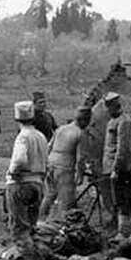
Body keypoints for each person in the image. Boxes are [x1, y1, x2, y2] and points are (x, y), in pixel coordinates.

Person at [6, 100, 48, 251]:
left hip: (22, 184)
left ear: (17, 119)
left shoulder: (23, 136)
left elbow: (20, 160)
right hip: (38, 183)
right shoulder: (41, 136)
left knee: (20, 227)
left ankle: (24, 257)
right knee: (32, 225)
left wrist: (13, 172)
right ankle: (37, 254)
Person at [40, 106, 91, 220]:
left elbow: (49, 147)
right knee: (65, 201)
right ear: (84, 120)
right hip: (64, 168)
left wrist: (46, 164)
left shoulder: (61, 129)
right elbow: (80, 158)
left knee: (48, 196)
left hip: (51, 165)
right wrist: (80, 175)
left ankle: (40, 221)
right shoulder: (80, 134)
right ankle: (61, 225)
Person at [101, 92, 131, 241]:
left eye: (109, 107)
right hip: (111, 168)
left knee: (122, 200)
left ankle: (124, 232)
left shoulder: (125, 122)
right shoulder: (113, 121)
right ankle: (120, 230)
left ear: (115, 106)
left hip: (121, 168)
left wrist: (116, 169)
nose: (107, 110)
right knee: (117, 199)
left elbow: (123, 148)